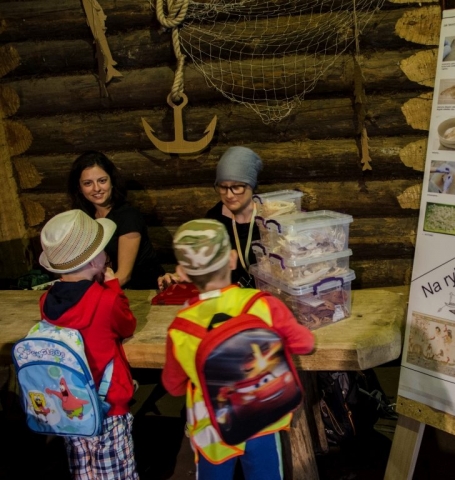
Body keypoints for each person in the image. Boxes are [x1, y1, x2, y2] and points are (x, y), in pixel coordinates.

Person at [161, 219, 315, 479]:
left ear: (182, 273)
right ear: (232, 259)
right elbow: (304, 343)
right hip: (261, 418)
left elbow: (173, 386)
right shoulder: (262, 304)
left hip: (212, 427)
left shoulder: (179, 328)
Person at [38, 209, 139, 479]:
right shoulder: (106, 300)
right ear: (95, 260)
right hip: (108, 405)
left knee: (83, 470)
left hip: (70, 407)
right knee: (117, 472)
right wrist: (113, 286)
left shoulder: (46, 301)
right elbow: (127, 325)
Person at [68, 151, 165, 289]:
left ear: (112, 182)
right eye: (88, 183)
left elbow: (124, 276)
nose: (96, 188)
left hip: (143, 292)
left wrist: (90, 296)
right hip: (111, 290)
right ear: (79, 188)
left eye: (102, 181)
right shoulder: (85, 219)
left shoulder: (128, 216)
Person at [206, 146, 263, 288]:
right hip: (231, 296)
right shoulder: (214, 219)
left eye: (236, 187)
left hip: (267, 297)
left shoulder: (268, 219)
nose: (229, 195)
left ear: (252, 186)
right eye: (223, 187)